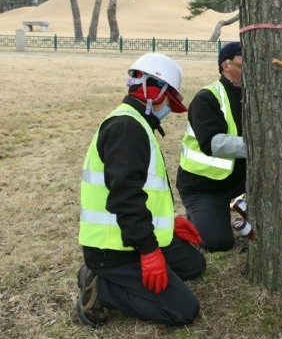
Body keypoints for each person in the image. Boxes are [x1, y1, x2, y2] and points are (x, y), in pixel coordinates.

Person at [77, 53, 206, 328]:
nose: (171, 110)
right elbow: (125, 198)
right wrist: (149, 252)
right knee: (184, 310)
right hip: (114, 248)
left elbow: (140, 188)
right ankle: (102, 285)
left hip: (130, 235)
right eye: (171, 102)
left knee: (194, 266)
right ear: (155, 92)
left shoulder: (136, 123)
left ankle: (123, 274)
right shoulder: (127, 129)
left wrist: (168, 225)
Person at [176, 41, 247, 252]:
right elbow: (212, 143)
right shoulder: (207, 98)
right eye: (245, 58)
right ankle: (196, 217)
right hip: (204, 186)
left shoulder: (255, 95)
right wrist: (260, 147)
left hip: (239, 183)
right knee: (218, 243)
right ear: (226, 65)